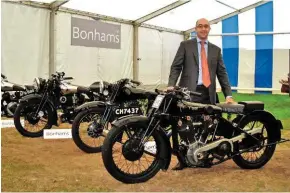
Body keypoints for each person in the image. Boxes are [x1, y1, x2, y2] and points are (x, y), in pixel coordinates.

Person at [167, 18, 235, 170]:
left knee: (208, 125)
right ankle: (183, 160)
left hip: (208, 93)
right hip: (188, 93)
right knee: (185, 126)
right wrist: (171, 85)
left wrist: (228, 95)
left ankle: (203, 156)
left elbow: (222, 73)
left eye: (206, 26)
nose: (203, 29)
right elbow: (176, 67)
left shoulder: (216, 50)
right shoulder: (185, 45)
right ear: (195, 29)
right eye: (200, 26)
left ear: (209, 29)